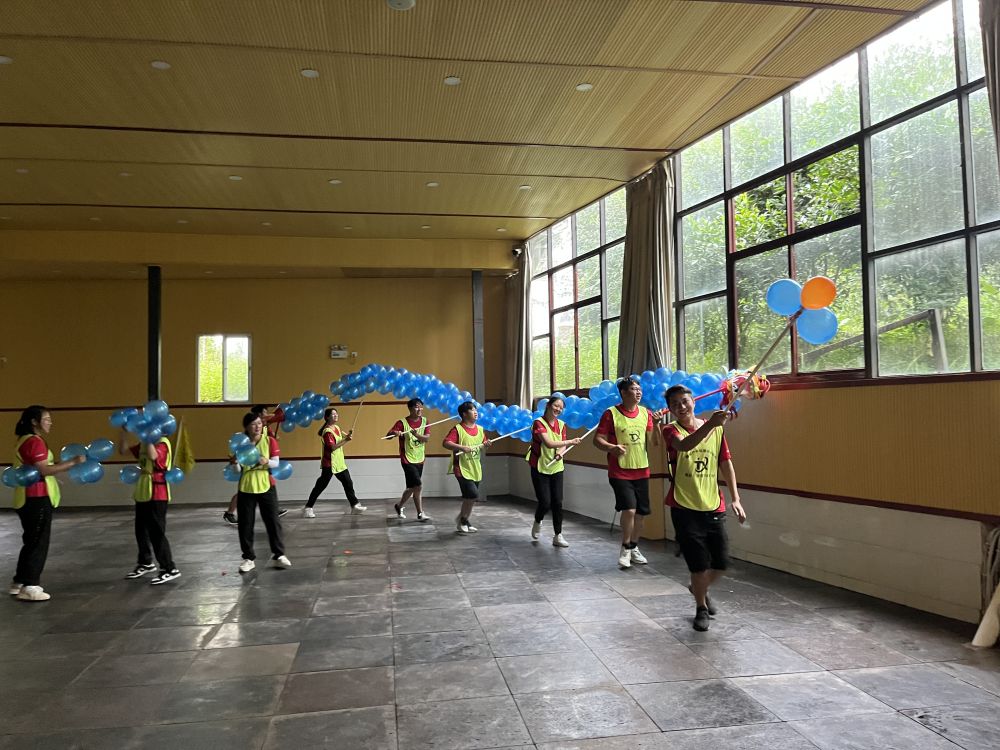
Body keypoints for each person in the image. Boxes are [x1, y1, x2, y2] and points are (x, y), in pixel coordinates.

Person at [662, 384, 746, 632]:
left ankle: (698, 587)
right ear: (670, 409)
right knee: (698, 565)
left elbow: (725, 463)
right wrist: (711, 425)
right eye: (675, 404)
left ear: (694, 402)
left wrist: (736, 498)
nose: (681, 406)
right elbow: (684, 446)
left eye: (684, 401)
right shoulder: (670, 430)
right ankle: (701, 607)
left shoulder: (717, 430)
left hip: (713, 505)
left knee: (721, 563)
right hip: (684, 506)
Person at [8, 406, 86, 601]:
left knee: (31, 540)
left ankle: (19, 581)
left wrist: (52, 476)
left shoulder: (24, 440)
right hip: (36, 498)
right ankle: (30, 585)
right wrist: (73, 462)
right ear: (34, 422)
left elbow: (36, 469)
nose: (50, 422)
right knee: (38, 542)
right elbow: (43, 470)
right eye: (46, 419)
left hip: (27, 497)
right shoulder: (35, 442)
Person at [594, 377, 656, 569]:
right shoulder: (610, 414)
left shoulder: (646, 413)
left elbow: (654, 442)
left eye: (639, 389)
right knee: (629, 509)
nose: (638, 392)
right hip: (619, 471)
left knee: (640, 514)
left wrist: (656, 424)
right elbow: (597, 439)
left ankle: (634, 546)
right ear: (623, 393)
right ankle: (625, 548)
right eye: (634, 389)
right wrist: (611, 447)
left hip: (642, 470)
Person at [118, 426, 180, 585]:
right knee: (140, 529)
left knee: (156, 532)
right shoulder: (145, 443)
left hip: (157, 493)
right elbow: (123, 451)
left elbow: (153, 456)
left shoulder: (163, 443)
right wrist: (124, 432)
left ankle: (169, 568)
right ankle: (145, 562)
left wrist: (147, 438)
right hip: (143, 490)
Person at [232, 412, 291, 573]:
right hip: (246, 486)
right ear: (246, 427)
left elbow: (276, 463)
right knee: (245, 524)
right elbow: (237, 471)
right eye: (253, 424)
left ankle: (279, 555)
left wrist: (267, 461)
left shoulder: (269, 441)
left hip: (266, 485)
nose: (257, 426)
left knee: (273, 521)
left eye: (259, 423)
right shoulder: (241, 445)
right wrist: (235, 463)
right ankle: (248, 558)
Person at [526, 395, 581, 547]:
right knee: (545, 502)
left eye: (561, 408)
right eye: (556, 405)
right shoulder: (538, 423)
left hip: (556, 467)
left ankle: (558, 535)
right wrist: (571, 441)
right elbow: (549, 443)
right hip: (539, 466)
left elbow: (561, 445)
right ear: (548, 406)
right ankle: (538, 520)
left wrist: (560, 453)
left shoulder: (562, 424)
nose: (558, 409)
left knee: (557, 502)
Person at [223, 404, 288, 525]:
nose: (267, 414)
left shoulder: (265, 427)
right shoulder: (251, 433)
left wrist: (273, 438)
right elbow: (275, 417)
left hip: (263, 460)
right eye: (264, 412)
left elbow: (273, 436)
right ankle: (231, 512)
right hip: (253, 461)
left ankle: (273, 508)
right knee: (249, 489)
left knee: (267, 484)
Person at [303, 407, 367, 517]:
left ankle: (355, 506)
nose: (336, 415)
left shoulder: (336, 427)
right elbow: (332, 447)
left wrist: (348, 435)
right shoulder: (327, 432)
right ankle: (308, 508)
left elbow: (342, 437)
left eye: (336, 413)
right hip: (330, 464)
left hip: (339, 463)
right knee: (320, 486)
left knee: (348, 483)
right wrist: (346, 440)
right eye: (333, 414)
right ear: (327, 417)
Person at [442, 401, 492, 533]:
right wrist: (461, 447)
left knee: (470, 497)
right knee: (472, 494)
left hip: (475, 467)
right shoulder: (457, 429)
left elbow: (483, 444)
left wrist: (487, 444)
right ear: (464, 414)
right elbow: (446, 443)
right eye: (472, 410)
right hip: (461, 468)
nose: (476, 412)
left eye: (476, 410)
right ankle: (463, 520)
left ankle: (464, 519)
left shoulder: (480, 429)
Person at [386, 398, 432, 522]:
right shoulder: (402, 423)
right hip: (407, 459)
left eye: (421, 406)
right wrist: (395, 433)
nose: (420, 409)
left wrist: (416, 435)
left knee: (412, 487)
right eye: (417, 407)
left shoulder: (425, 421)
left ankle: (399, 506)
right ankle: (420, 513)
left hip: (420, 459)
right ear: (410, 408)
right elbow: (388, 435)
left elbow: (426, 439)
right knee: (418, 485)